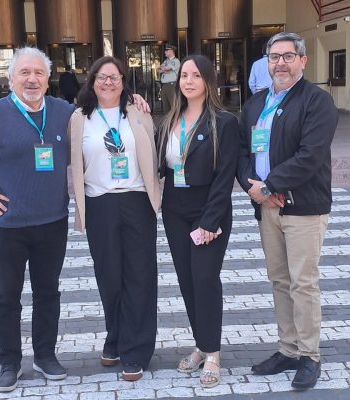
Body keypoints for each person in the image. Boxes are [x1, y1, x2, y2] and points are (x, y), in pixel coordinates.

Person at [0, 47, 76, 393]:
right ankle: (9, 362)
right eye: (24, 73)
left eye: (38, 73)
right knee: (6, 296)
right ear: (11, 79)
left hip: (52, 222)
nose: (32, 79)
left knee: (48, 293)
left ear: (48, 80)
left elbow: (101, 113)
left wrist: (133, 102)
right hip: (5, 225)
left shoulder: (64, 112)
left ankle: (45, 356)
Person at [236, 32, 338, 390]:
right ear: (266, 62)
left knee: (303, 283)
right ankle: (288, 349)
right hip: (268, 207)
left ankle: (309, 356)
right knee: (280, 281)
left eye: (288, 56)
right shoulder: (255, 104)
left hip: (303, 208)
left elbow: (310, 156)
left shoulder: (317, 101)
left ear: (302, 61)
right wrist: (253, 187)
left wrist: (270, 185)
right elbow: (243, 152)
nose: (280, 63)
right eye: (274, 56)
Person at [68, 56, 160, 382]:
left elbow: (156, 151)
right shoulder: (79, 117)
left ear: (123, 82)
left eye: (115, 77)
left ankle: (136, 350)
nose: (108, 82)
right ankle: (116, 336)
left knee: (139, 277)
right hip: (99, 204)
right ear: (92, 81)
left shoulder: (138, 112)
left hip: (137, 201)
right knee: (109, 277)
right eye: (102, 77)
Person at [157, 54, 239, 388]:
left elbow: (225, 176)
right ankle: (201, 345)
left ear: (208, 81)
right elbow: (160, 166)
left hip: (208, 210)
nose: (188, 81)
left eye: (195, 75)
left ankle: (213, 354)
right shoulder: (169, 119)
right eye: (184, 76)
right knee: (187, 281)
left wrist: (210, 221)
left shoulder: (224, 122)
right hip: (174, 210)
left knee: (205, 279)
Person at [158, 44, 180, 113]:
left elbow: (166, 68)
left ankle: (175, 119)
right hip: (164, 85)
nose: (165, 52)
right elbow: (159, 70)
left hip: (171, 85)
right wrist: (166, 70)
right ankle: (168, 120)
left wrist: (165, 69)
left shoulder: (175, 61)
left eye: (167, 50)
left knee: (173, 105)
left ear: (171, 51)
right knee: (165, 107)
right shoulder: (166, 61)